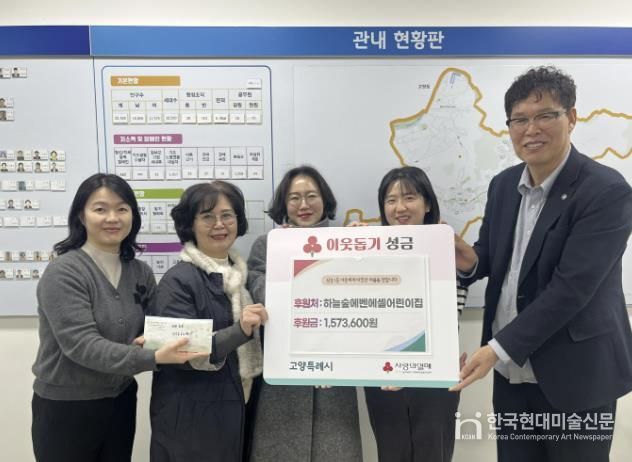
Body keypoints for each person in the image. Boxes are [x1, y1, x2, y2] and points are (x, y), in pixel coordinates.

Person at [452, 66, 632, 461]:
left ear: (571, 117)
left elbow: (572, 289)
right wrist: (466, 257)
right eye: (519, 119)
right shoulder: (503, 185)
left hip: (577, 376)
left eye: (545, 115)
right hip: (512, 377)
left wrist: (496, 349)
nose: (530, 129)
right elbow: (492, 257)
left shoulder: (606, 191)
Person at [31, 173, 206, 462]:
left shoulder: (140, 272)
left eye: (122, 209)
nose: (112, 218)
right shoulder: (64, 272)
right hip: (67, 406)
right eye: (100, 209)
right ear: (81, 216)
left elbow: (155, 327)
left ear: (132, 216)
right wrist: (152, 357)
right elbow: (82, 345)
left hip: (121, 398)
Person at [247, 165, 363, 462]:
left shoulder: (346, 241)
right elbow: (263, 297)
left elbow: (362, 296)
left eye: (311, 196)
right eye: (294, 197)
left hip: (335, 378)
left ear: (324, 199)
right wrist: (288, 254)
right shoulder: (267, 245)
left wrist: (362, 250)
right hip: (281, 385)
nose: (304, 204)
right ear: (284, 204)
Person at [149, 180, 267, 462]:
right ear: (190, 224)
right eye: (207, 216)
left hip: (236, 407)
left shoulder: (241, 277)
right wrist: (240, 331)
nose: (219, 224)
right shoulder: (179, 280)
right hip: (191, 416)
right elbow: (179, 351)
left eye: (227, 215)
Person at [361, 166, 467, 462]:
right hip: (383, 373)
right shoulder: (369, 253)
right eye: (391, 200)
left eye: (409, 197)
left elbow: (452, 310)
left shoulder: (447, 248)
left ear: (427, 203)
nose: (400, 208)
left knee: (434, 453)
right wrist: (353, 251)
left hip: (434, 371)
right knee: (391, 453)